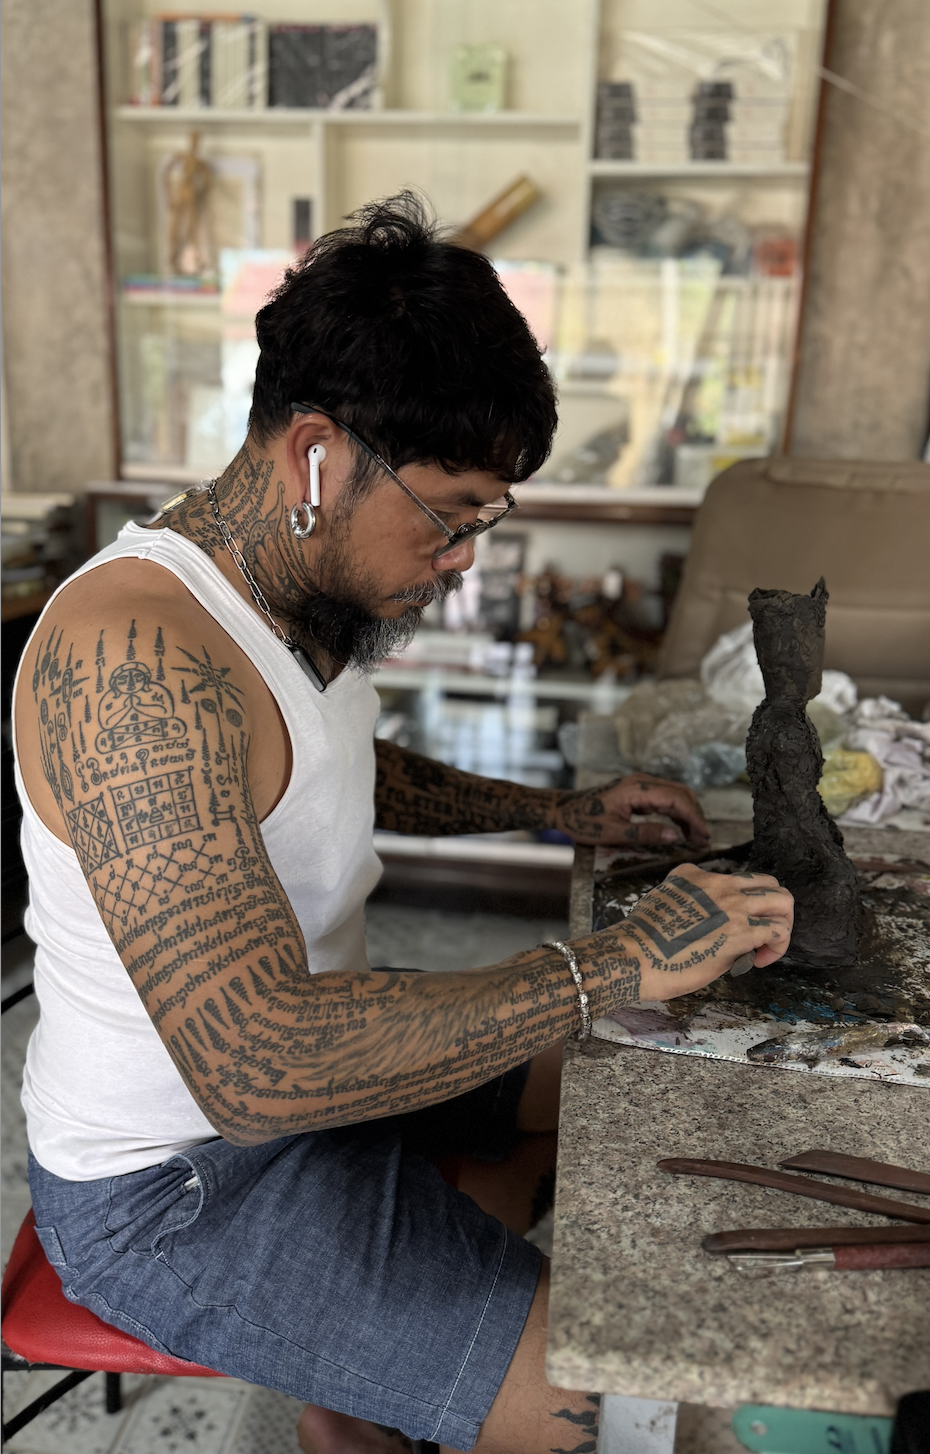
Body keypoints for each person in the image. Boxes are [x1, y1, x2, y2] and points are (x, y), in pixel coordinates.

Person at [12, 194, 793, 1454]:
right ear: (316, 454)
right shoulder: (139, 661)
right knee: (640, 1408)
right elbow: (255, 1063)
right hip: (180, 1184)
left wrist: (560, 812)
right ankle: (386, 1376)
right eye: (450, 514)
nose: (462, 558)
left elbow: (326, 763)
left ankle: (366, 1391)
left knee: (639, 1068)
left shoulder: (281, 591)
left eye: (485, 521)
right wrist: (610, 959)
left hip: (316, 1087)